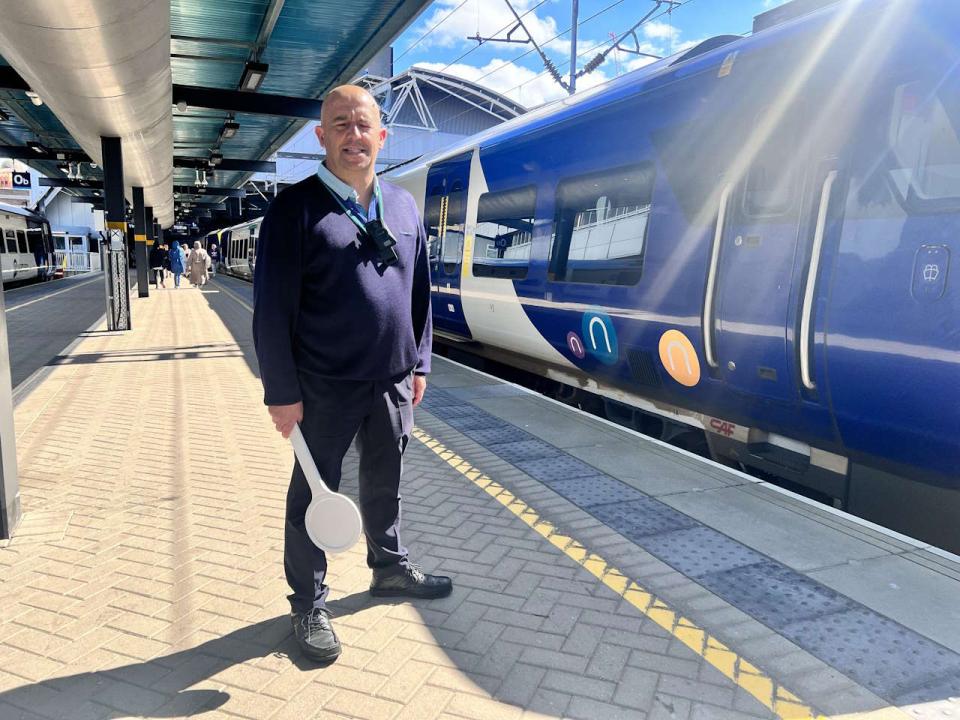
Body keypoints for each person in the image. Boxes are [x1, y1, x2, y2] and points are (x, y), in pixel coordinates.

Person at [253, 84, 448, 664]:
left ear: (381, 136)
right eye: (340, 125)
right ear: (321, 136)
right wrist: (281, 393)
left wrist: (420, 363)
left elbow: (421, 295)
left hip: (391, 383)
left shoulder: (404, 205)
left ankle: (387, 568)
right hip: (321, 387)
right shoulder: (295, 209)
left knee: (385, 482)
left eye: (363, 126)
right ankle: (307, 601)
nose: (353, 136)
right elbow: (271, 311)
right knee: (313, 495)